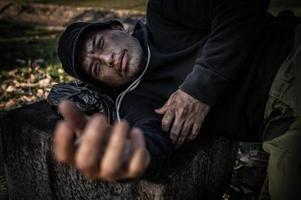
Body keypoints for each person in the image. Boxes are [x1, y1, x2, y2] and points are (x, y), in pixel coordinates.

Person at [55, 1, 301, 199]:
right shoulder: (134, 103)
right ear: (102, 84)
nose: (107, 59)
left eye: (100, 44)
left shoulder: (165, 12)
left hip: (290, 56)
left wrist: (198, 90)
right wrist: (125, 157)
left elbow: (242, 7)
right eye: (96, 68)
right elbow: (150, 141)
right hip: (281, 126)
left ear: (117, 28)